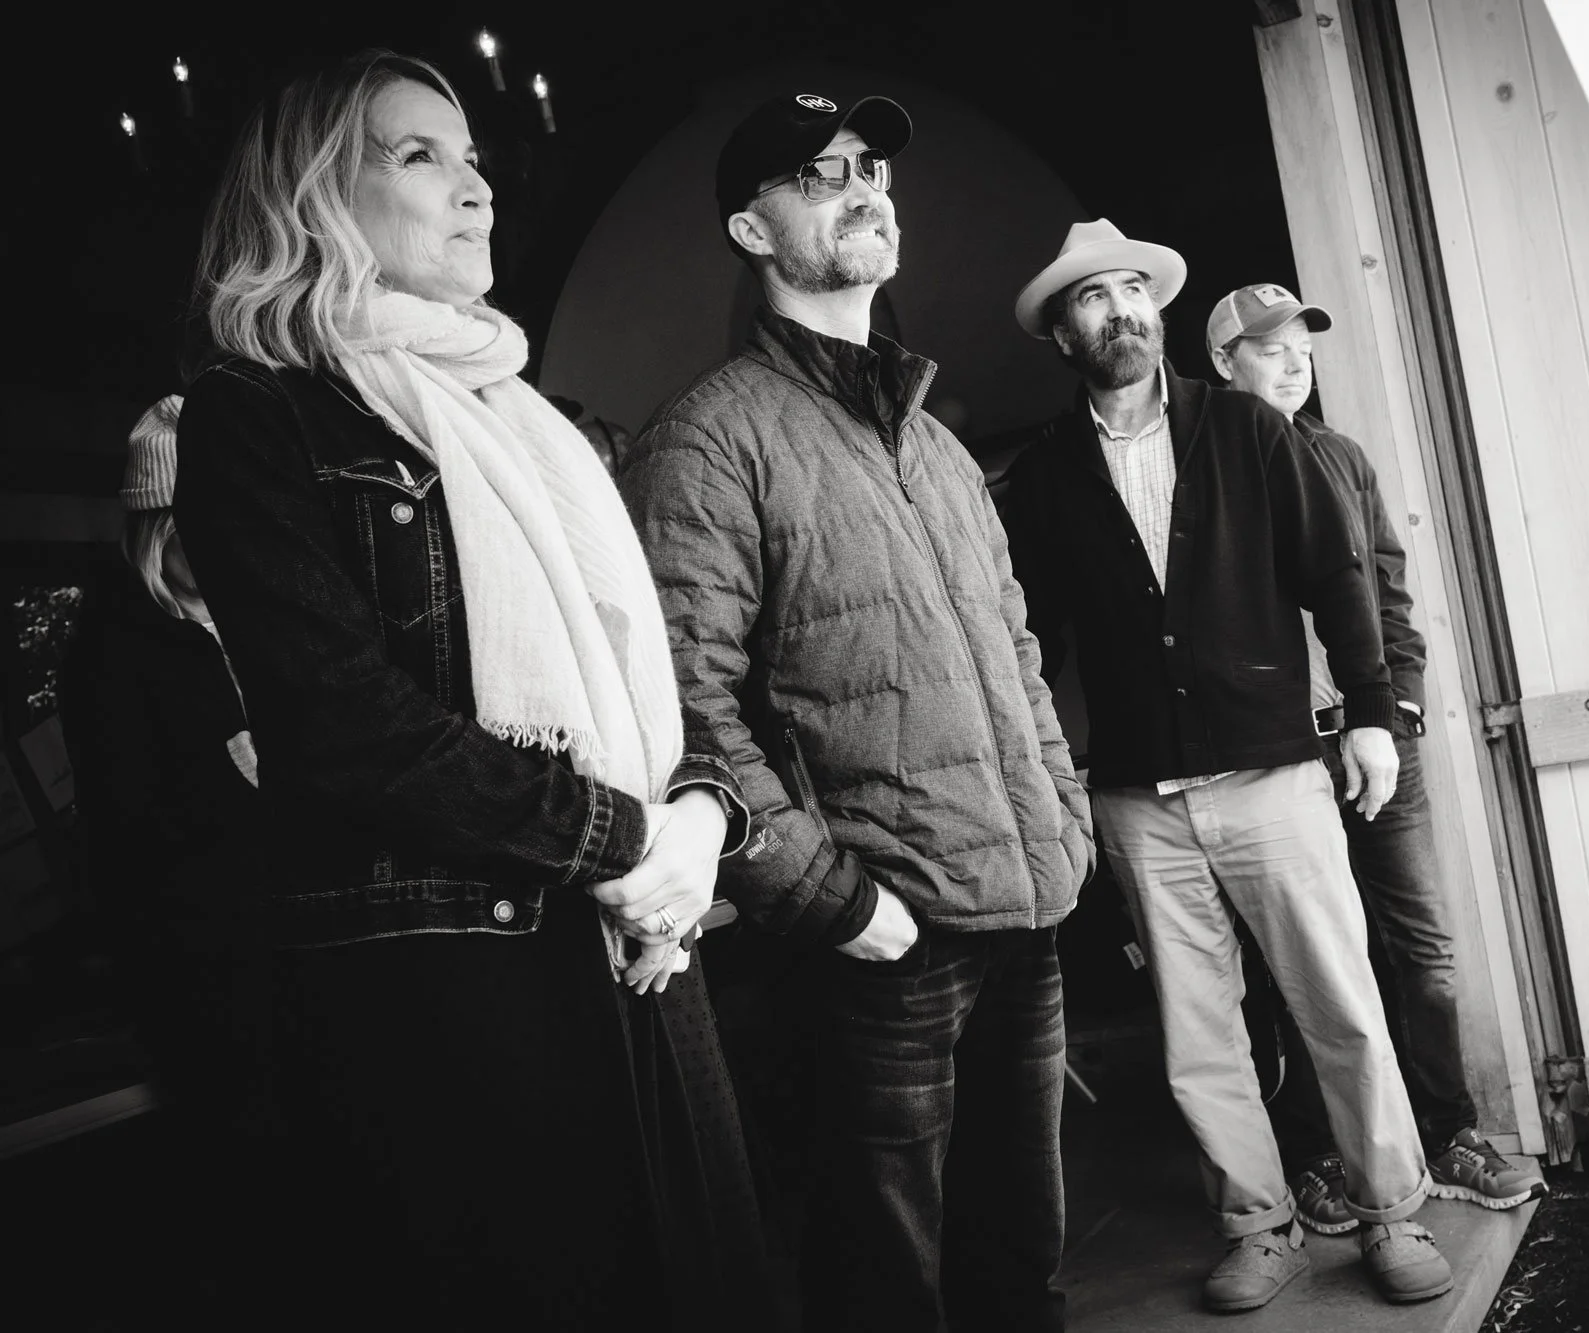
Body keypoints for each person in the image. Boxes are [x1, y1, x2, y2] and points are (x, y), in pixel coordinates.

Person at [172, 50, 765, 1327]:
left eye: (476, 158)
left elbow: (650, 665)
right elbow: (346, 725)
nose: (476, 188)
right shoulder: (257, 413)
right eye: (419, 156)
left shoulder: (522, 416)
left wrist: (700, 819)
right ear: (315, 194)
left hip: (640, 950)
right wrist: (621, 838)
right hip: (464, 982)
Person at [620, 91, 1093, 1333]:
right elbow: (683, 701)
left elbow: (1017, 648)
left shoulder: (935, 446)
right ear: (749, 227)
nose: (858, 184)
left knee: (1018, 1260)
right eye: (817, 173)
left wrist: (1067, 821)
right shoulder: (709, 438)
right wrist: (832, 899)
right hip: (880, 937)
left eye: (870, 164)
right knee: (882, 1282)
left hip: (1025, 907)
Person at [1001, 220, 1451, 1312]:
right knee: (1197, 1036)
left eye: (1129, 290)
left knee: (1339, 1006)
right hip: (1136, 798)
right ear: (1063, 334)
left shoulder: (1246, 429)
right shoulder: (1043, 474)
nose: (1117, 310)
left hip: (1272, 774)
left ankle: (1391, 1210)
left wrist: (1376, 717)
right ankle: (1258, 1224)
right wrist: (1051, 773)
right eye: (1089, 299)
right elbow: (1022, 636)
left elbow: (1337, 577)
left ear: (1155, 311)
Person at [1207, 283, 1546, 1230]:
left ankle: (1449, 1133)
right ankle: (1321, 1157)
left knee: (1420, 946)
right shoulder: (1203, 475)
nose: (1292, 359)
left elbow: (1388, 598)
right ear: (1222, 364)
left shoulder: (1341, 459)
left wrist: (1389, 718)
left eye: (1301, 343)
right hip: (1274, 758)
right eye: (1267, 345)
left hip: (1373, 743)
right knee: (1298, 963)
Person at [61, 394, 276, 1317]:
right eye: (206, 522)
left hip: (282, 950)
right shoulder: (115, 649)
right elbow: (137, 837)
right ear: (159, 526)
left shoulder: (251, 621)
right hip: (208, 973)